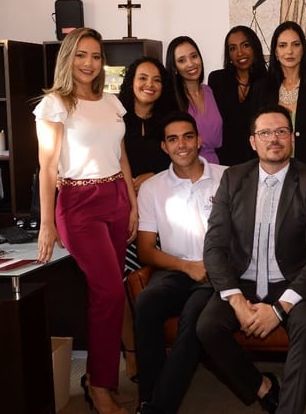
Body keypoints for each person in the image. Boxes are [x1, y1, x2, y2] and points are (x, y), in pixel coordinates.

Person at [196, 104, 306, 414]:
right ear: (252, 141)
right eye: (266, 132)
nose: (274, 138)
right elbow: (214, 247)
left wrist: (280, 309)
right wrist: (235, 301)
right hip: (242, 281)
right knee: (207, 327)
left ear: (292, 139)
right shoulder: (233, 178)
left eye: (282, 131)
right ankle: (262, 387)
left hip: (290, 282)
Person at [34, 27, 137, 414]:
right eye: (81, 55)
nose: (89, 63)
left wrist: (132, 204)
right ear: (68, 57)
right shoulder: (55, 104)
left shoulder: (112, 103)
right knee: (109, 292)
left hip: (115, 199)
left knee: (109, 293)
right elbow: (46, 168)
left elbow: (122, 157)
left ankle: (103, 381)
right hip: (78, 202)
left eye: (95, 56)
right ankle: (98, 386)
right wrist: (48, 223)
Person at [133, 112, 226, 414]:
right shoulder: (153, 188)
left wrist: (211, 267)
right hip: (176, 269)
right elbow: (146, 250)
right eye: (173, 139)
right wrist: (187, 267)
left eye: (188, 136)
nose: (182, 144)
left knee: (192, 318)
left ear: (199, 141)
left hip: (217, 273)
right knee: (146, 302)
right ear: (164, 147)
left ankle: (158, 408)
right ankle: (148, 396)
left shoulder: (228, 178)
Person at [117, 56, 179, 379]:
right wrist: (131, 187)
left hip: (160, 213)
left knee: (153, 281)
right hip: (125, 211)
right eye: (143, 78)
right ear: (132, 81)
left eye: (156, 80)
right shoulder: (116, 118)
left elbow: (181, 161)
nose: (149, 85)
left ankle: (157, 349)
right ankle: (131, 353)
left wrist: (152, 175)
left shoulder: (168, 122)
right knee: (126, 284)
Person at [250, 21, 306, 168]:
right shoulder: (261, 88)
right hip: (272, 170)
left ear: (303, 50)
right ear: (275, 52)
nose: (289, 51)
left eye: (295, 45)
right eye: (283, 45)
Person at [208, 25, 267, 165]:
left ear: (255, 48)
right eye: (233, 48)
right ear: (228, 55)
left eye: (245, 45)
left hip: (257, 161)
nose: (239, 53)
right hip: (223, 162)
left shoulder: (268, 82)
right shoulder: (217, 80)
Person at [166, 36, 223, 164]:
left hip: (215, 167)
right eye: (182, 60)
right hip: (186, 168)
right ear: (174, 67)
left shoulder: (211, 91)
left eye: (194, 56)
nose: (191, 63)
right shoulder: (171, 100)